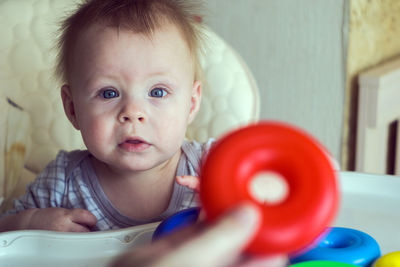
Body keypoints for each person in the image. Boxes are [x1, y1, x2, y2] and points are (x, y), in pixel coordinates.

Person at [0, 0, 210, 232]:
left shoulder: (212, 166)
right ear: (72, 109)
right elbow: (5, 239)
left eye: (157, 92)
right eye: (108, 93)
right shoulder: (62, 183)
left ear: (191, 104)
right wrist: (31, 223)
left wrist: (232, 205)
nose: (133, 112)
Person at [111, 203, 288, 267]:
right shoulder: (81, 176)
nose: (134, 116)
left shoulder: (211, 157)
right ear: (80, 121)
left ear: (190, 116)